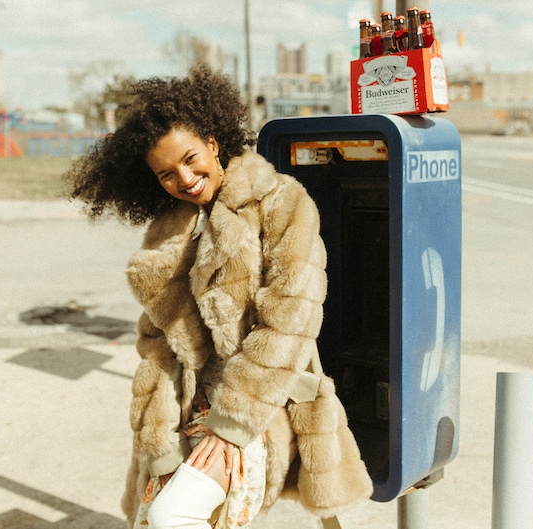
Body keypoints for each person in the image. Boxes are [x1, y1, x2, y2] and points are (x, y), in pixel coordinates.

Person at [65, 65, 372, 529]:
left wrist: (230, 427)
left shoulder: (282, 203)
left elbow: (289, 322)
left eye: (190, 159)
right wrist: (159, 441)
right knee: (153, 517)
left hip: (262, 407)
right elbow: (156, 346)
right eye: (166, 174)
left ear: (212, 142)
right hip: (191, 406)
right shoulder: (169, 232)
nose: (184, 179)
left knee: (175, 514)